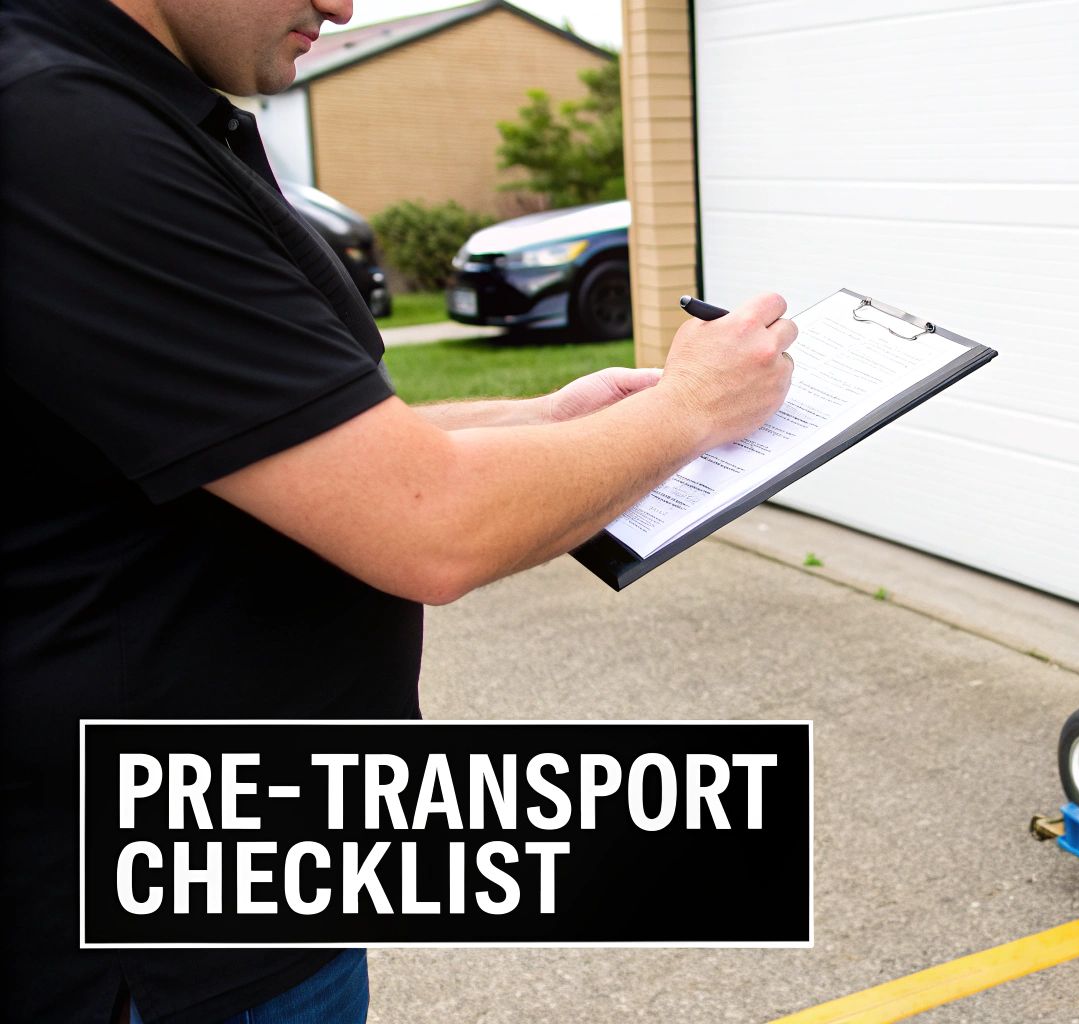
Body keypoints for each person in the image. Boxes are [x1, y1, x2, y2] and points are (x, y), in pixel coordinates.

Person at [0, 0, 796, 1020]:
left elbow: (273, 431)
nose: (339, 4)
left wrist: (542, 413)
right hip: (164, 949)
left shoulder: (129, 105)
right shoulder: (63, 130)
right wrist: (690, 412)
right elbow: (431, 528)